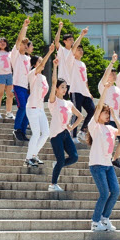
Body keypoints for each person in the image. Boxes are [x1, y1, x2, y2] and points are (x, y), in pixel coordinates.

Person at [87, 56, 120, 232]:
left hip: (108, 165)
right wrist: (104, 93)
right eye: (105, 114)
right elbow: (99, 107)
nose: (106, 116)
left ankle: (105, 218)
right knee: (104, 193)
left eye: (107, 115)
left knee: (115, 192)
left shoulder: (110, 128)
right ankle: (95, 222)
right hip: (97, 165)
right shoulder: (94, 126)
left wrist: (115, 117)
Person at [48, 59, 83, 192]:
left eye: (66, 87)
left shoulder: (69, 103)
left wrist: (72, 127)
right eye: (62, 87)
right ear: (57, 89)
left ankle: (57, 165)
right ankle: (53, 184)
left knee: (74, 157)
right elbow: (52, 82)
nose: (65, 89)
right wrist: (55, 66)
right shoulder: (54, 101)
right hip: (56, 134)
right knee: (61, 159)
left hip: (65, 133)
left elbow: (80, 116)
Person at [24, 43, 55, 167]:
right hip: (32, 108)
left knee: (46, 133)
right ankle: (28, 158)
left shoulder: (43, 77)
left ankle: (33, 154)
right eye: (40, 62)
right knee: (36, 133)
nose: (43, 64)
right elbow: (42, 65)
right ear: (35, 63)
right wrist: (50, 52)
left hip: (40, 108)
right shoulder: (32, 74)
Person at [98, 54, 120, 169]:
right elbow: (105, 76)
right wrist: (112, 62)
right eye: (111, 73)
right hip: (107, 119)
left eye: (114, 73)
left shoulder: (118, 89)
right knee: (109, 141)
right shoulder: (103, 87)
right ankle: (105, 160)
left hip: (117, 119)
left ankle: (114, 159)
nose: (114, 75)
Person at [70, 28, 94, 144]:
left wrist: (89, 92)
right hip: (75, 91)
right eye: (78, 49)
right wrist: (82, 35)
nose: (80, 51)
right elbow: (73, 47)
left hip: (84, 92)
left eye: (81, 50)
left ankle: (83, 130)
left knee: (92, 111)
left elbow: (85, 80)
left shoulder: (83, 64)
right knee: (77, 112)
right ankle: (72, 135)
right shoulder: (72, 61)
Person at [11, 17, 31, 141]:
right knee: (22, 107)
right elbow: (19, 39)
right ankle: (17, 129)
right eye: (23, 44)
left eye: (25, 44)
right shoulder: (15, 55)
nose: (24, 45)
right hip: (18, 85)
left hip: (26, 87)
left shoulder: (28, 59)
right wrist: (25, 26)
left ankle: (23, 132)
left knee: (28, 109)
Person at [0, 37, 14, 119]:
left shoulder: (10, 53)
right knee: (0, 93)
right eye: (0, 42)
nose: (2, 43)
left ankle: (9, 112)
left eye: (4, 42)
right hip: (0, 74)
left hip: (9, 74)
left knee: (10, 94)